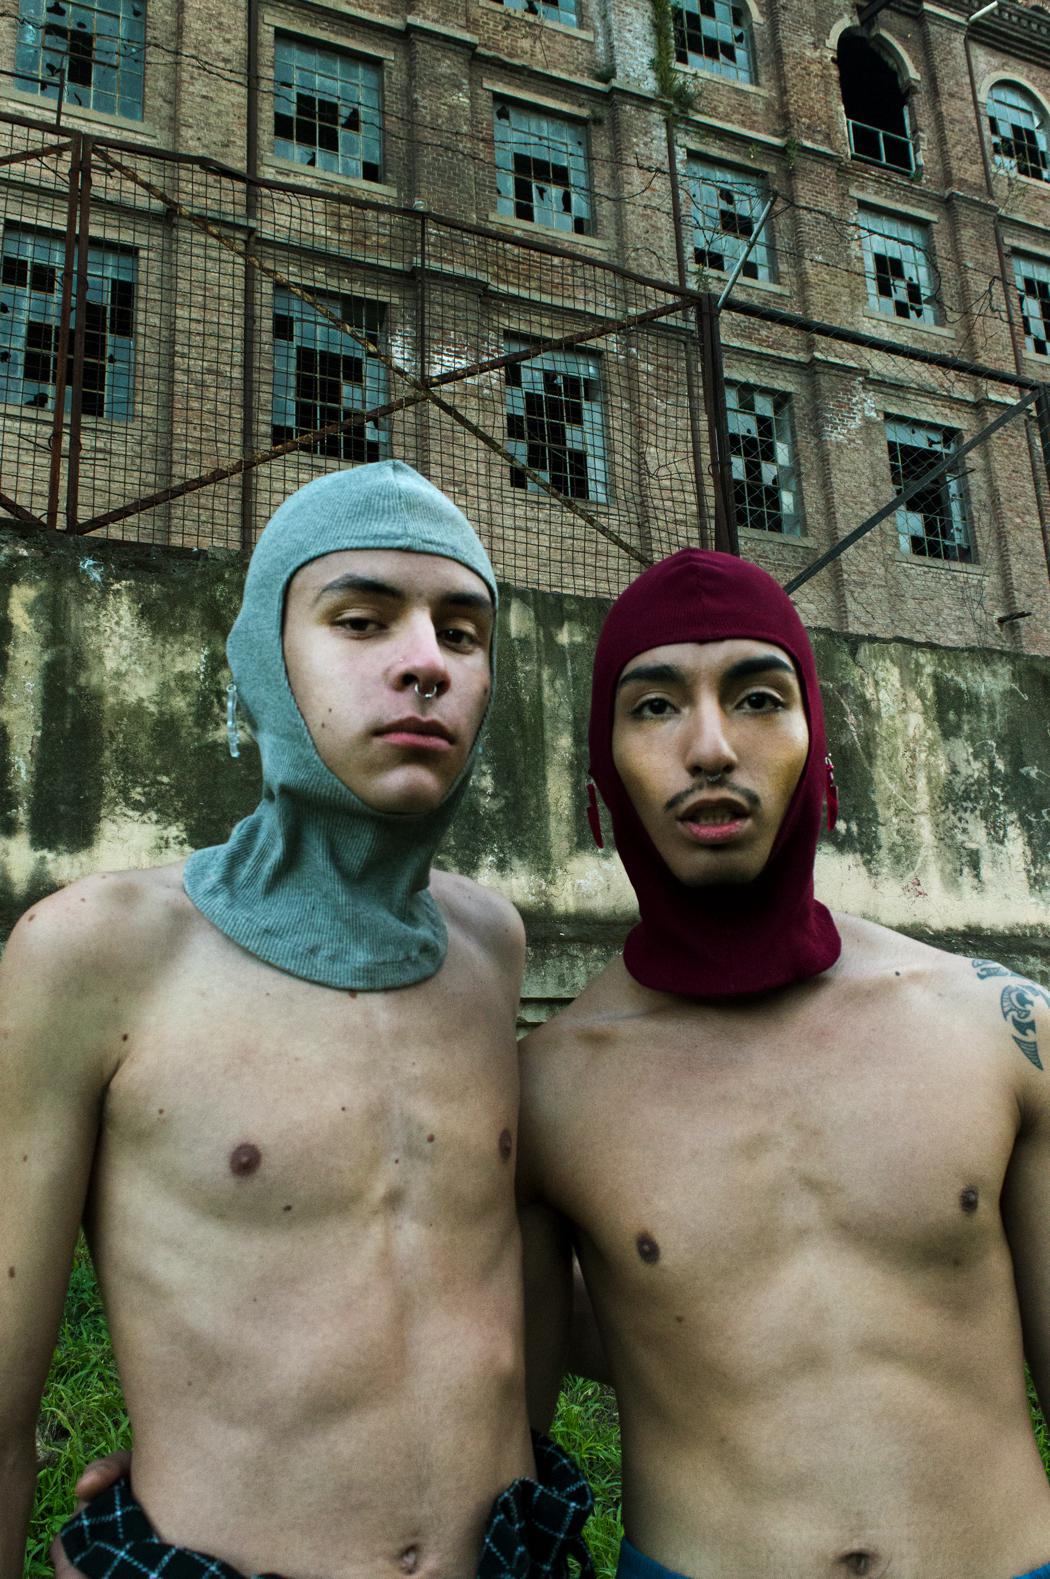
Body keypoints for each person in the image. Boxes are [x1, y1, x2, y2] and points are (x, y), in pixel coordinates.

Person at [1, 460, 591, 1579]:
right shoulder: (94, 952)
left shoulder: (488, 948)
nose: (426, 660)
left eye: (463, 633)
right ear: (263, 660)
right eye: (361, 620)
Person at [516, 549, 1050, 1579]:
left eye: (758, 697)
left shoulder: (999, 1028)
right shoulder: (547, 1093)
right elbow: (505, 1466)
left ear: (821, 753)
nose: (711, 747)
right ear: (601, 781)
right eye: (655, 706)